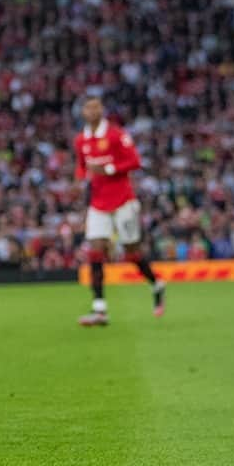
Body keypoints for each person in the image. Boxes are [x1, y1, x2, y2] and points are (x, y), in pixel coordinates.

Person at [75, 96, 165, 327]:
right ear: (83, 112)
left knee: (131, 253)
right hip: (98, 204)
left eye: (96, 106)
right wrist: (79, 181)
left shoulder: (116, 134)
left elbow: (135, 161)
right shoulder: (81, 139)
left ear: (102, 110)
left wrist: (109, 168)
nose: (92, 111)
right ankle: (99, 309)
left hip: (123, 201)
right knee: (95, 252)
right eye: (88, 107)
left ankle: (156, 283)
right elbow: (82, 167)